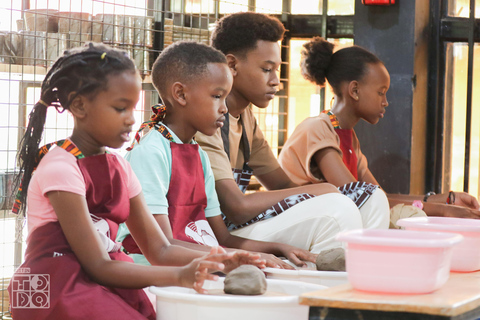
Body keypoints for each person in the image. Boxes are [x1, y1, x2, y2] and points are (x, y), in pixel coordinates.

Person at [8, 43, 262, 320]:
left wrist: (225, 260)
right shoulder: (61, 168)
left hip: (103, 278)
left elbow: (160, 249)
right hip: (52, 288)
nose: (132, 120)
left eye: (133, 107)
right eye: (120, 108)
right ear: (80, 106)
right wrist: (180, 276)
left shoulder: (119, 167)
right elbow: (98, 265)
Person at [194, 12, 390, 257]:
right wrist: (318, 191)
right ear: (232, 65)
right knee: (336, 210)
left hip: (242, 226)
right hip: (212, 236)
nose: (276, 81)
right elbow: (236, 208)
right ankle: (321, 287)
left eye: (277, 69)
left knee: (373, 200)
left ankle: (357, 280)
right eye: (267, 69)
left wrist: (316, 192)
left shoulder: (246, 120)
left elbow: (282, 185)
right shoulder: (206, 122)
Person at [117, 41, 317, 269]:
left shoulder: (199, 155)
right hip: (155, 271)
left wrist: (277, 248)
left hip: (203, 263)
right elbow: (163, 247)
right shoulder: (151, 152)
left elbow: (223, 238)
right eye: (216, 96)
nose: (224, 108)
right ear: (181, 94)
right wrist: (235, 258)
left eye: (225, 98)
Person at [277, 36, 480, 221]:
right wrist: (444, 210)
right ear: (354, 90)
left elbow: (378, 197)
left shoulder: (347, 137)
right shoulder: (317, 129)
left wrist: (444, 200)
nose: (386, 102)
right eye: (381, 93)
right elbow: (361, 200)